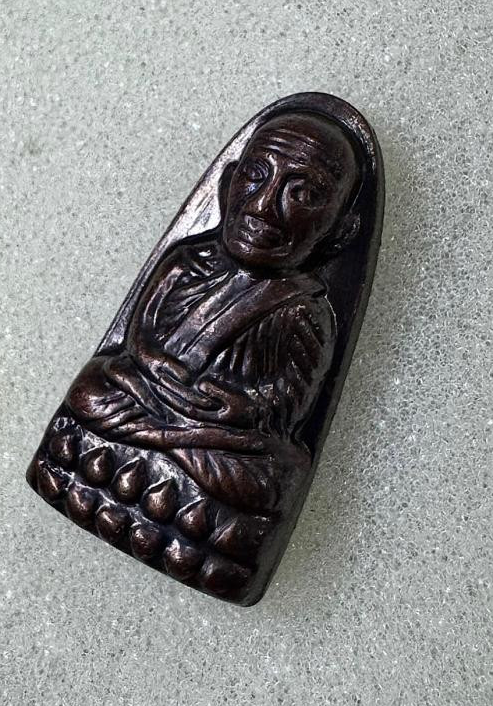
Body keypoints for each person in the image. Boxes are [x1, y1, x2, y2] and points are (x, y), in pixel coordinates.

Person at [65, 112, 360, 512]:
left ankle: (160, 444)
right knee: (91, 388)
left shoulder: (302, 310)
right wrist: (154, 363)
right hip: (147, 392)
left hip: (217, 432)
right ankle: (167, 444)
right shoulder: (187, 261)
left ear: (339, 231)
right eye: (255, 176)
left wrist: (244, 407)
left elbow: (291, 400)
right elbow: (138, 334)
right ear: (226, 185)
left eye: (303, 195)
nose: (263, 207)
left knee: (277, 476)